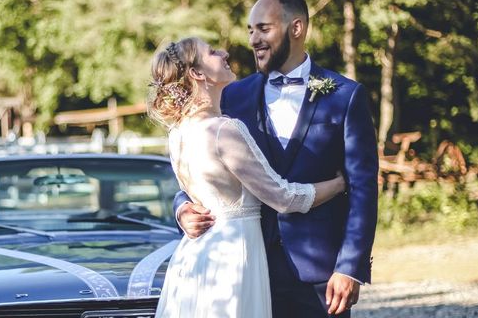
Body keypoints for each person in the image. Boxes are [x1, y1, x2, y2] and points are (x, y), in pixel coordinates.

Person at [175, 0, 379, 317]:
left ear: (296, 28)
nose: (254, 39)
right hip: (245, 268)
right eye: (251, 30)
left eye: (264, 29)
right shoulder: (232, 96)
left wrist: (350, 266)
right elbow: (198, 165)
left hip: (321, 276)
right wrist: (181, 206)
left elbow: (364, 187)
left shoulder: (346, 96)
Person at [149, 37, 347, 318]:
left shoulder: (177, 133)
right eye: (212, 52)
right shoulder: (223, 130)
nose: (225, 52)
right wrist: (339, 184)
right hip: (232, 257)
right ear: (197, 73)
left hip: (195, 258)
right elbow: (284, 197)